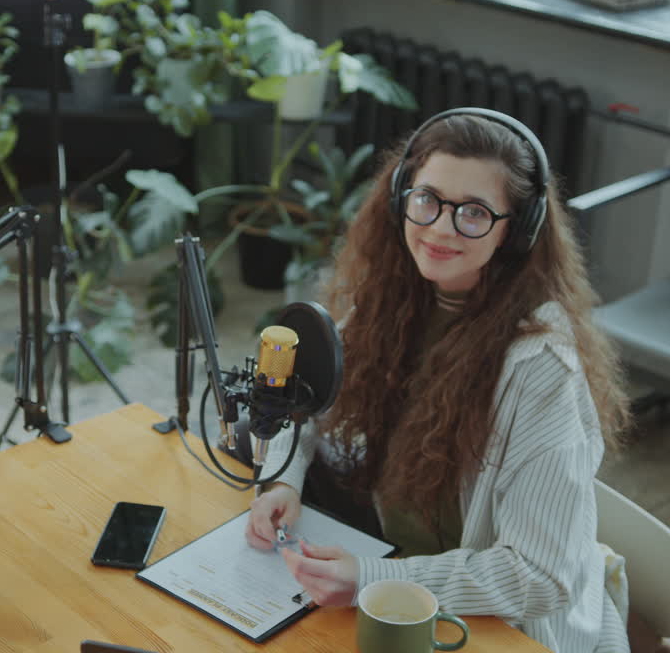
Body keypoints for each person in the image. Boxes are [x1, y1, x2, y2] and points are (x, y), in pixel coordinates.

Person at [245, 109, 632, 652]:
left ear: (517, 230)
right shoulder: (394, 299)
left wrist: (371, 579)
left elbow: (540, 577)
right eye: (427, 199)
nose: (440, 227)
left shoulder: (541, 367)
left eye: (473, 213)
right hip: (401, 579)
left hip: (506, 626)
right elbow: (309, 402)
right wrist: (284, 479)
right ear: (402, 195)